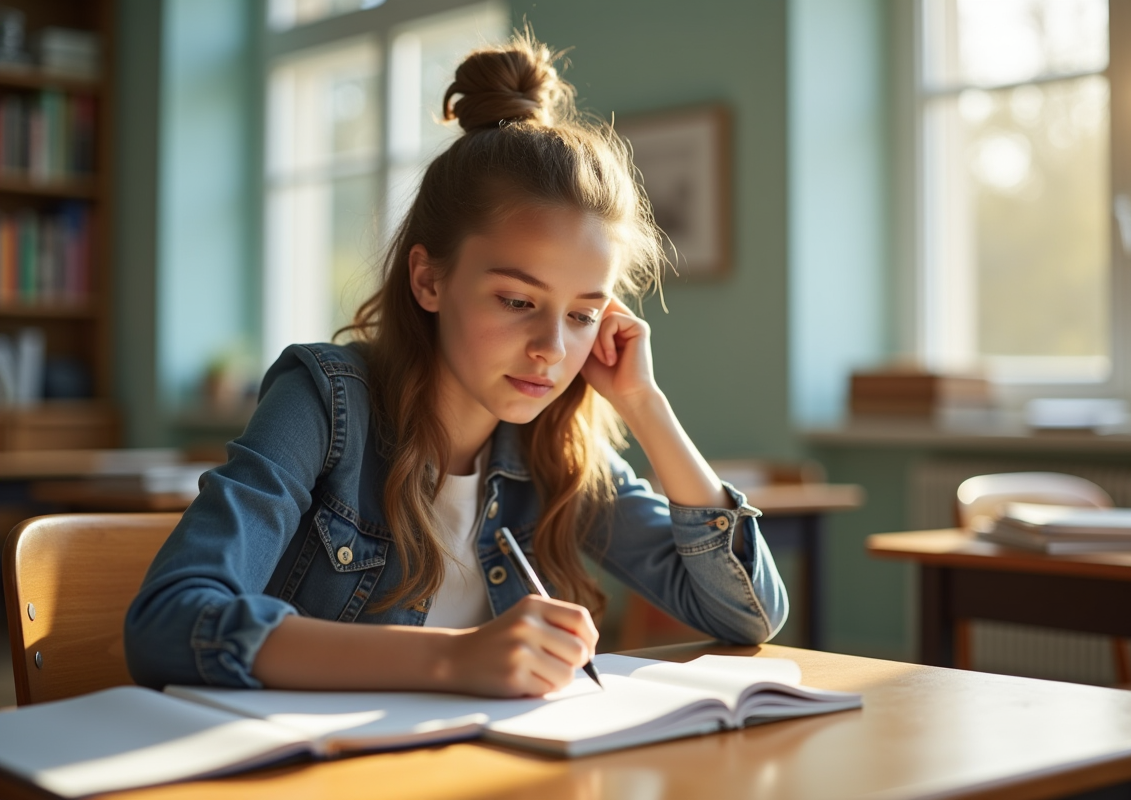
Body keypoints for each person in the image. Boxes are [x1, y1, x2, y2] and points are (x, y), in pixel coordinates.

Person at [125, 33, 788, 698]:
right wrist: (450, 660)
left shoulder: (557, 446)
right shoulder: (325, 403)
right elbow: (167, 622)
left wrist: (645, 404)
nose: (552, 350)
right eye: (517, 300)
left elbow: (749, 613)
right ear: (428, 280)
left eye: (583, 314)